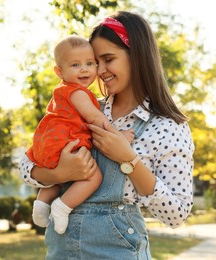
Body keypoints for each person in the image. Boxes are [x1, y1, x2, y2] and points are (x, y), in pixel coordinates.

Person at [19, 11, 194, 259]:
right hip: (63, 252)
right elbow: (26, 167)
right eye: (94, 61)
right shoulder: (83, 107)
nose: (98, 71)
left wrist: (129, 160)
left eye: (108, 59)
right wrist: (59, 174)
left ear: (137, 57)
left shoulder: (167, 127)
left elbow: (176, 215)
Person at [26, 35, 135, 234]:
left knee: (60, 177)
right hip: (65, 143)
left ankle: (42, 203)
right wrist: (118, 136)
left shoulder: (61, 92)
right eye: (75, 65)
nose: (84, 69)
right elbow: (95, 118)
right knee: (93, 178)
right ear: (59, 71)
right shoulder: (78, 93)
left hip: (49, 144)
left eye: (90, 63)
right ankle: (62, 206)